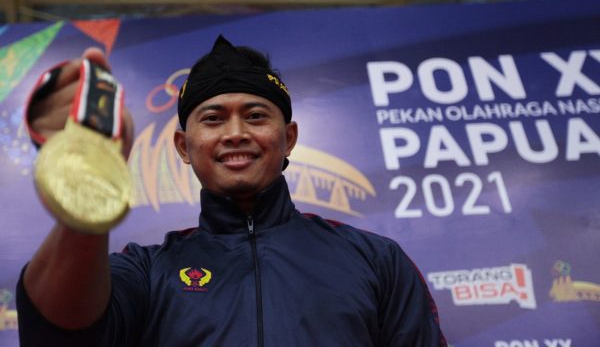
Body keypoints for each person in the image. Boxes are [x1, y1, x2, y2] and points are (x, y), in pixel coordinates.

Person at [17, 35, 447, 346]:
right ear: (183, 147)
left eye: (256, 115)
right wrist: (90, 182)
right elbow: (61, 330)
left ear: (289, 139)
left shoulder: (375, 260)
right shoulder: (147, 270)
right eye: (213, 118)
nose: (235, 133)